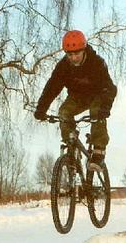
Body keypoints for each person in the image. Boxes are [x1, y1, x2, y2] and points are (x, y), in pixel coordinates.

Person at [33, 30, 117, 172]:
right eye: (70, 54)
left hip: (98, 95)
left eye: (77, 53)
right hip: (77, 97)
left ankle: (99, 150)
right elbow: (52, 88)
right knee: (64, 112)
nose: (73, 58)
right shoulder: (63, 66)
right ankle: (70, 145)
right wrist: (41, 108)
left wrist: (106, 107)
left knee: (96, 112)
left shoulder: (96, 63)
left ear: (84, 50)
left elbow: (110, 88)